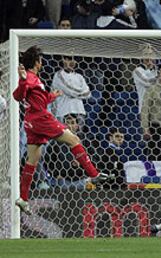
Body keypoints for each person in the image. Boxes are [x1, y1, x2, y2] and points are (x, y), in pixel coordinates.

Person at [13, 46, 109, 215]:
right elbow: (17, 97)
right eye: (40, 59)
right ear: (37, 62)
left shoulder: (33, 78)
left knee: (32, 160)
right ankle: (93, 174)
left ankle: (23, 198)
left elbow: (35, 100)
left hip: (31, 121)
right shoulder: (29, 78)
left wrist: (52, 96)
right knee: (74, 140)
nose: (42, 62)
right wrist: (22, 81)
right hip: (41, 119)